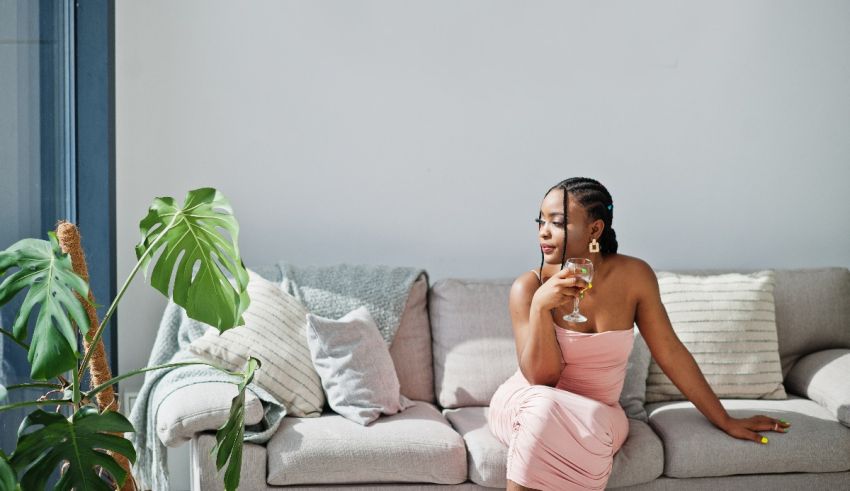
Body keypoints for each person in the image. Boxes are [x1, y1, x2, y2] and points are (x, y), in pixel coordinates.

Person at [487, 177, 791, 491]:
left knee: (574, 420)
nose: (543, 231)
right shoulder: (529, 287)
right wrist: (539, 308)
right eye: (541, 221)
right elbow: (542, 380)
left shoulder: (635, 277)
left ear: (595, 230)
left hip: (599, 411)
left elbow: (670, 352)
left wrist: (724, 419)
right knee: (543, 407)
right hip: (527, 402)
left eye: (558, 222)